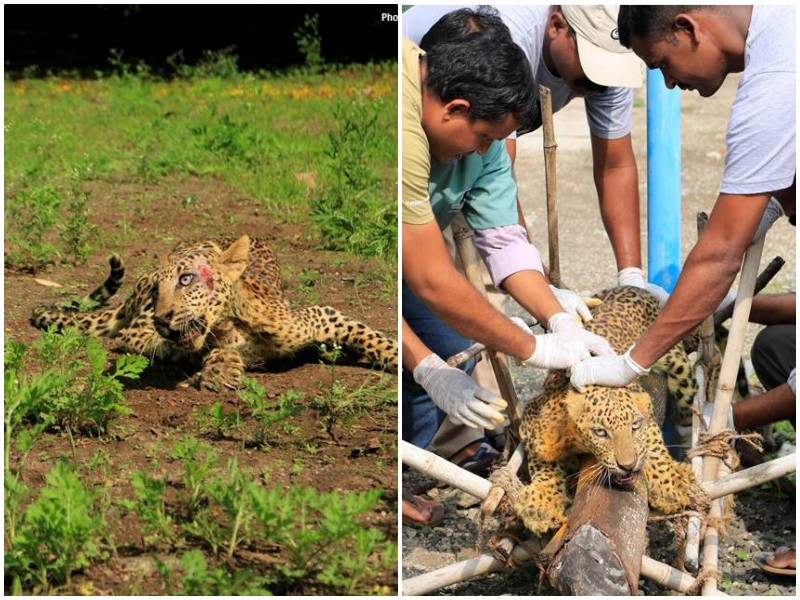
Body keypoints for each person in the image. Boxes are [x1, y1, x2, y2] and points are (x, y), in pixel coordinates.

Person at [569, 3, 795, 572]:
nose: (669, 82)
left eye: (662, 63)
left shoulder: (775, 86)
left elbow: (719, 252)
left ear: (688, 28)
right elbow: (765, 194)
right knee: (775, 345)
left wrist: (631, 362)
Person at [402, 9, 613, 525]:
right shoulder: (400, 125)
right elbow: (428, 278)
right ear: (454, 109)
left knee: (454, 354)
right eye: (480, 139)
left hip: (408, 250)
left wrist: (555, 316)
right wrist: (531, 348)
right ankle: (389, 488)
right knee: (425, 364)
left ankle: (413, 465)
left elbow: (504, 242)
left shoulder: (485, 139)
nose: (486, 151)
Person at [403, 5, 667, 297]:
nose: (600, 83)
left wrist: (631, 279)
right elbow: (495, 184)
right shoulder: (502, 46)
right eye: (593, 67)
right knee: (447, 283)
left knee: (476, 299)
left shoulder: (607, 66)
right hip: (425, 141)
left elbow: (615, 166)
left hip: (460, 144)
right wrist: (537, 283)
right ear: (556, 26)